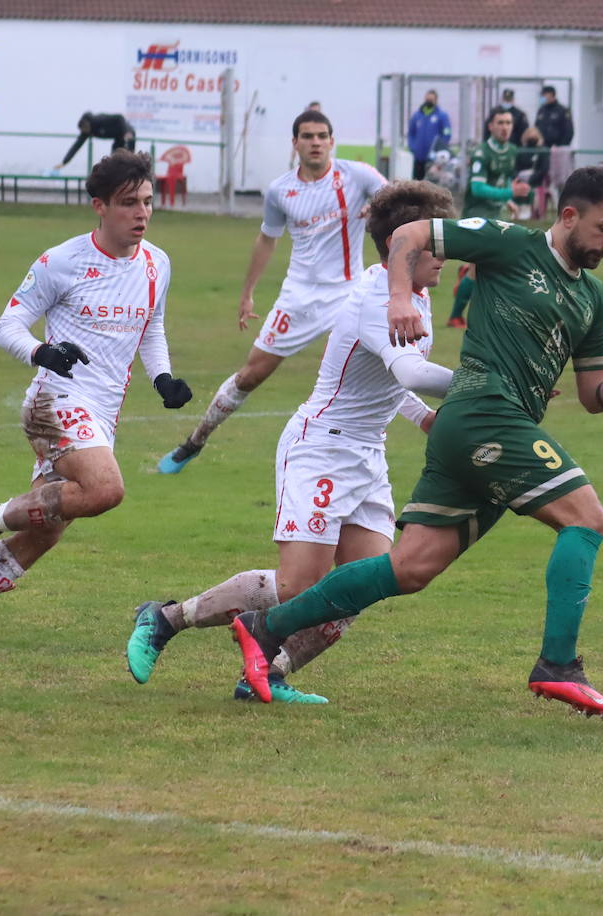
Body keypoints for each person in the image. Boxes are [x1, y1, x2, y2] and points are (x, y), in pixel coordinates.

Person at [227, 166, 603, 717]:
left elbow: (594, 394)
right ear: (569, 215)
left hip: (479, 430)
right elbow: (409, 235)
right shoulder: (511, 244)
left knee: (410, 569)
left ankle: (265, 627)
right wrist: (400, 296)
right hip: (484, 417)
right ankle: (558, 666)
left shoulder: (594, 297)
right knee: (587, 520)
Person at [127, 181, 458, 704]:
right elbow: (411, 371)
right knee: (299, 585)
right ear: (404, 248)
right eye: (435, 242)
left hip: (366, 456)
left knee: (362, 585)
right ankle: (165, 619)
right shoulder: (378, 300)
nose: (446, 252)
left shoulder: (414, 296)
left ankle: (269, 671)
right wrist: (485, 383)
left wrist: (423, 421)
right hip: (321, 448)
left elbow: (388, 379)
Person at [0, 150, 192, 647]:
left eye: (147, 202)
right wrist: (43, 352)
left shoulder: (156, 264)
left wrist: (162, 377)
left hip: (100, 415)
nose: (141, 213)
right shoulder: (63, 261)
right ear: (99, 205)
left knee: (44, 533)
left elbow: (152, 326)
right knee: (106, 490)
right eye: (128, 203)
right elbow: (7, 324)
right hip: (54, 401)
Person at [157, 109, 386, 474]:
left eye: (322, 136)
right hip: (298, 297)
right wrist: (247, 293)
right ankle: (195, 440)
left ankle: (378, 440)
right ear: (295, 143)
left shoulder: (356, 175)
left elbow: (399, 200)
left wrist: (379, 207)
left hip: (349, 293)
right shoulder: (281, 191)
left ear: (332, 141)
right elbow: (267, 239)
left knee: (377, 363)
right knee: (251, 375)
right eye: (307, 136)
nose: (315, 142)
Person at [445, 106, 530, 329]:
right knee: (490, 267)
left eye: (508, 123)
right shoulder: (482, 153)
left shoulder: (511, 150)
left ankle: (466, 282)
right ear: (490, 126)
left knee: (488, 267)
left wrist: (507, 200)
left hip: (496, 215)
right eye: (500, 122)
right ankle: (456, 316)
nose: (505, 127)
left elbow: (501, 181)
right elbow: (478, 189)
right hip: (478, 217)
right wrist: (510, 194)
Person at [57, 113, 135, 168]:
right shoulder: (86, 132)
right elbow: (76, 146)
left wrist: (126, 132)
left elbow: (120, 117)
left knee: (128, 158)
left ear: (87, 125)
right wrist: (64, 162)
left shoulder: (99, 120)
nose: (84, 133)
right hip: (118, 138)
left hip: (126, 132)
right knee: (114, 160)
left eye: (84, 130)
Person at [407, 90, 451, 181]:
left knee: (431, 183)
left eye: (431, 100)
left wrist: (440, 149)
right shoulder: (417, 115)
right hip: (419, 157)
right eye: (427, 99)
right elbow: (411, 133)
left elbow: (447, 133)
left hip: (433, 159)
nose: (428, 101)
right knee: (417, 183)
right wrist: (413, 147)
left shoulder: (442, 116)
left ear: (436, 101)